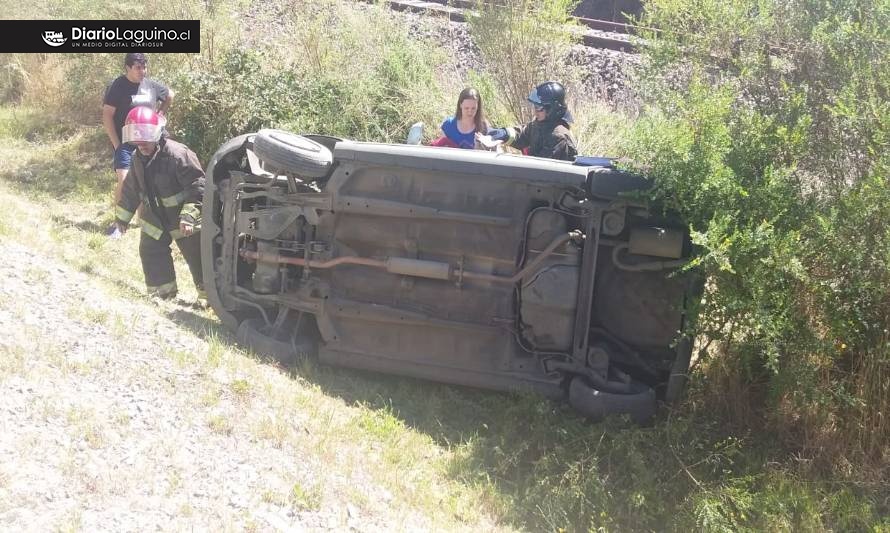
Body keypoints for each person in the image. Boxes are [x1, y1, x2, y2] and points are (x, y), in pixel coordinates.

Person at [111, 107, 204, 301]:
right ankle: (162, 295)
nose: (141, 142)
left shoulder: (178, 155)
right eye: (135, 136)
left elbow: (199, 187)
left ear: (157, 132)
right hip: (153, 219)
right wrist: (121, 219)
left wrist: (189, 216)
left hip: (181, 219)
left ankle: (208, 299)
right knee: (150, 252)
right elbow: (130, 190)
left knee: (199, 258)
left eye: (145, 135)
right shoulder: (137, 158)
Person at [102, 53, 174, 212]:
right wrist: (117, 145)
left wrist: (159, 114)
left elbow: (170, 95)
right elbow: (107, 115)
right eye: (138, 68)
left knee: (146, 182)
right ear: (128, 68)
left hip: (148, 142)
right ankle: (119, 223)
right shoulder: (118, 86)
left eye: (144, 67)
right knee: (125, 180)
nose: (143, 71)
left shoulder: (150, 85)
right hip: (126, 143)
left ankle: (142, 220)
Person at [487, 81, 578, 161]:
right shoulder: (540, 125)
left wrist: (526, 154)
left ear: (551, 109)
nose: (535, 111)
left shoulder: (559, 137)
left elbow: (540, 168)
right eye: (534, 106)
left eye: (538, 107)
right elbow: (522, 134)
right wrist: (504, 134)